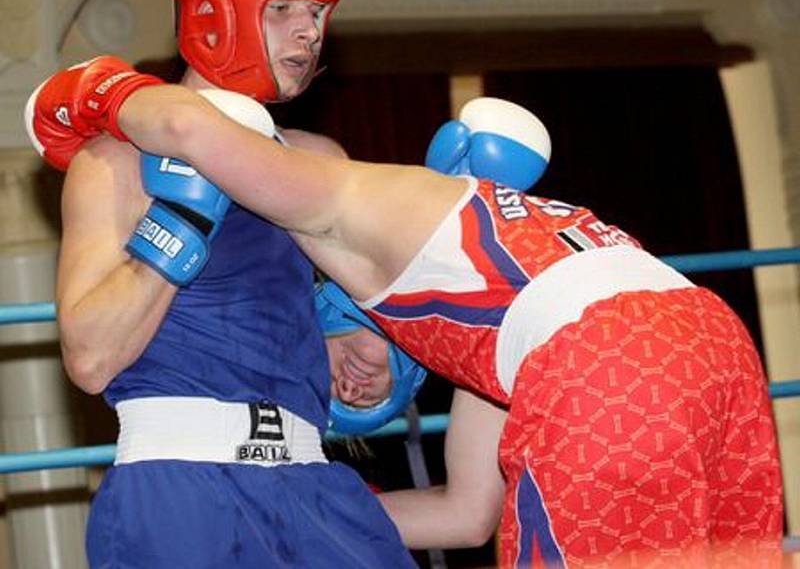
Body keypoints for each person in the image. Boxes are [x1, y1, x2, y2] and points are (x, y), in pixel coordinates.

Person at [30, 74, 785, 564]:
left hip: (611, 362)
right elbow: (466, 513)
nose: (361, 382)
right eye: (362, 397)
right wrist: (307, 496)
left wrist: (85, 92)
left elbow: (199, 129)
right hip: (710, 340)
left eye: (367, 381)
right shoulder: (489, 336)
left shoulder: (343, 200)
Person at [25, 0, 416, 568]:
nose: (309, 32)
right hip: (183, 486)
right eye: (284, 7)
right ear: (214, 10)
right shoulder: (117, 159)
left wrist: (360, 357)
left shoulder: (317, 158)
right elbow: (89, 357)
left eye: (318, 11)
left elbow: (311, 324)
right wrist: (179, 221)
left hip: (313, 484)